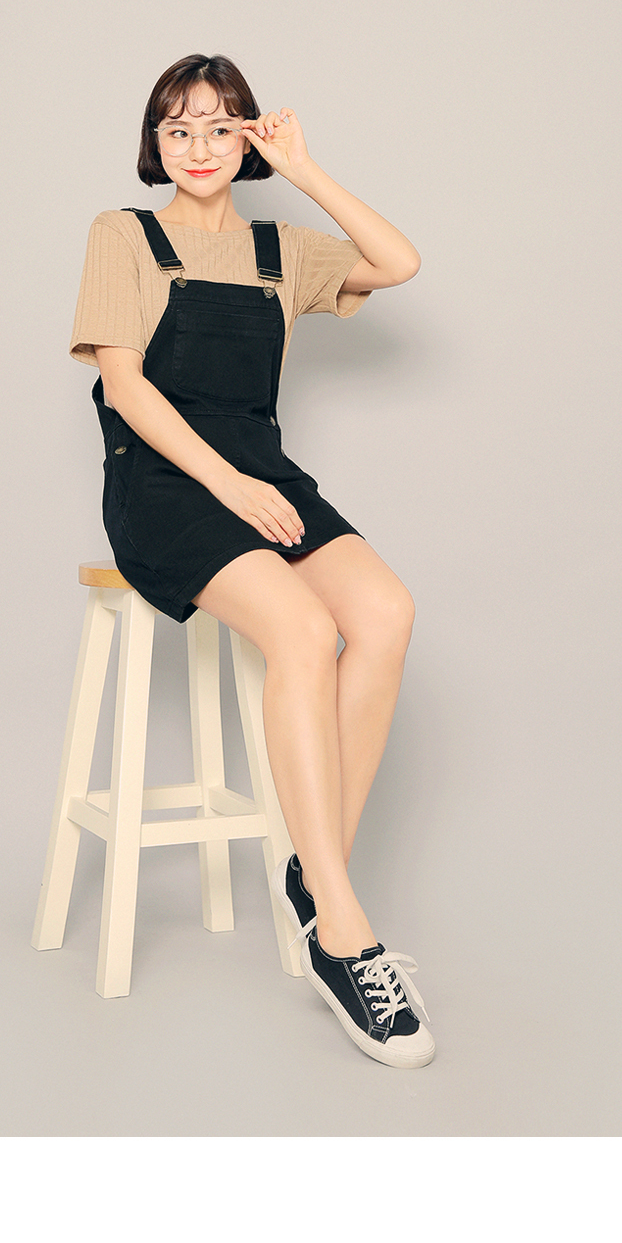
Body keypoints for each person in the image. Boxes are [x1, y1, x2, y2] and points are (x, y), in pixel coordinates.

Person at [70, 53, 434, 1068]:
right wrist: (227, 486)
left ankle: (318, 879)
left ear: (247, 139)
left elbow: (399, 262)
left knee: (387, 613)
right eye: (178, 129)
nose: (198, 147)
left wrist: (304, 169)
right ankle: (345, 934)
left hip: (264, 475)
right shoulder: (123, 236)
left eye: (220, 127)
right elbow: (126, 387)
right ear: (155, 144)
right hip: (164, 485)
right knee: (305, 632)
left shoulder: (281, 250)